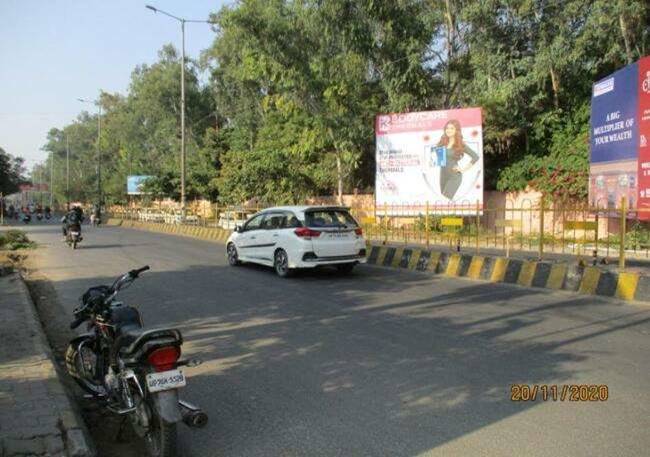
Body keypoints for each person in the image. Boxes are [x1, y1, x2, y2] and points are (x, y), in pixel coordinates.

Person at [436, 119, 479, 200]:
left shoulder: (460, 144)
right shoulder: (442, 143)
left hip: (454, 176)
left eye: (452, 128)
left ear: (456, 130)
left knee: (446, 198)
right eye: (447, 128)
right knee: (443, 201)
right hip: (443, 175)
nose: (448, 130)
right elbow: (439, 160)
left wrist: (463, 169)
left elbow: (475, 157)